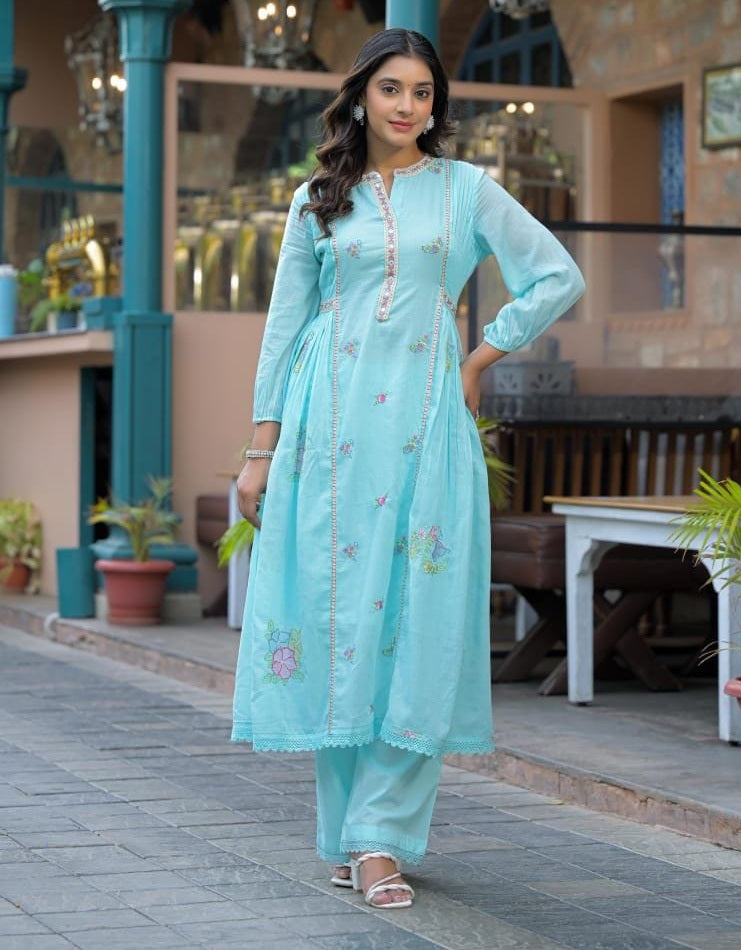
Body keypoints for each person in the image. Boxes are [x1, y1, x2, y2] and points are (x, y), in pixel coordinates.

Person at [232, 28, 585, 909]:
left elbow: (555, 276)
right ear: (360, 96)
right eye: (390, 88)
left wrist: (479, 358)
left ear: (435, 105)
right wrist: (259, 449)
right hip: (326, 430)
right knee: (335, 619)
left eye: (422, 92)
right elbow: (284, 328)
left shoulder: (466, 190)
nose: (406, 106)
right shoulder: (317, 198)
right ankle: (348, 836)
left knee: (417, 622)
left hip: (424, 430)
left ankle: (381, 839)